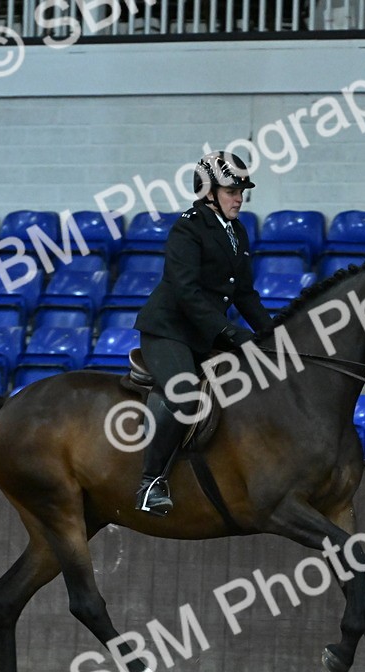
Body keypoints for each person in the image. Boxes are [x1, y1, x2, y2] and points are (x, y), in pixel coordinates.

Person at [132, 151, 274, 516]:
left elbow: (244, 294)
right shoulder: (188, 227)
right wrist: (230, 331)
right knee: (184, 394)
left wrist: (273, 336)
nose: (239, 197)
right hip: (170, 330)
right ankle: (151, 482)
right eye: (231, 190)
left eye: (241, 191)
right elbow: (186, 292)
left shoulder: (238, 231)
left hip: (205, 332)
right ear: (208, 191)